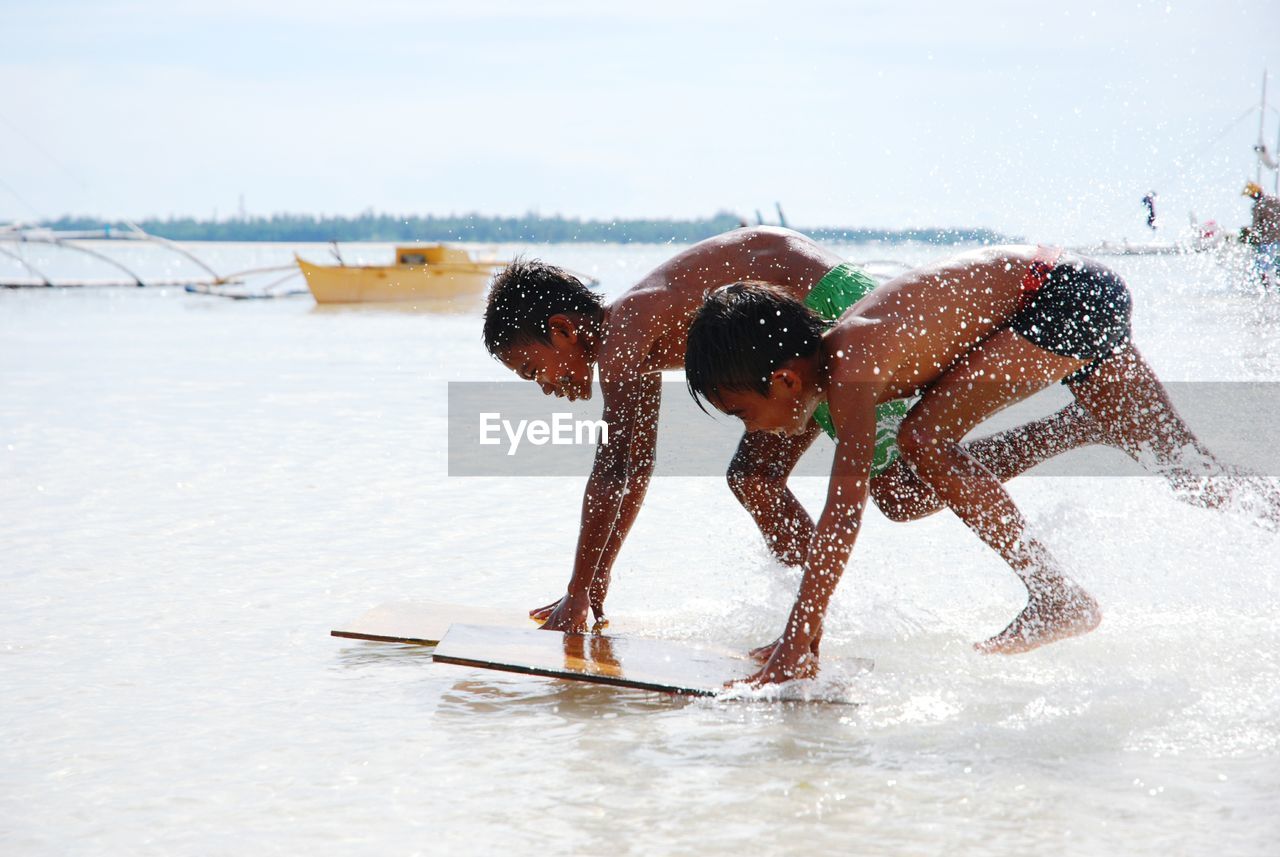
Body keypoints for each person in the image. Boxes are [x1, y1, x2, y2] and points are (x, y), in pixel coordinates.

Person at [481, 228, 1105, 634]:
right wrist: (594, 587)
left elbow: (616, 469)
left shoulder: (624, 338)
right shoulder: (629, 342)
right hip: (793, 329)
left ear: (563, 329)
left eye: (532, 367)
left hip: (830, 315)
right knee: (754, 478)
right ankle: (819, 617)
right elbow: (632, 467)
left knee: (904, 492)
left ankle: (1075, 435)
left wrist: (580, 592)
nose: (541, 384)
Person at [684, 245, 1244, 684]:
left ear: (783, 379)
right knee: (1188, 469)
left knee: (923, 438)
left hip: (1060, 294)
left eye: (741, 412)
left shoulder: (851, 365)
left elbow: (842, 512)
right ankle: (1257, 517)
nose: (750, 429)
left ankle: (1056, 595)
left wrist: (798, 637)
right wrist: (804, 635)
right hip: (1073, 292)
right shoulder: (842, 360)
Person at [1242, 182, 1280, 288]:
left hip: (1268, 240)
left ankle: (1266, 288)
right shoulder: (1275, 201)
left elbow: (1256, 226)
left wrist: (1250, 235)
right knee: (1278, 265)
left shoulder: (1258, 206)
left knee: (1263, 266)